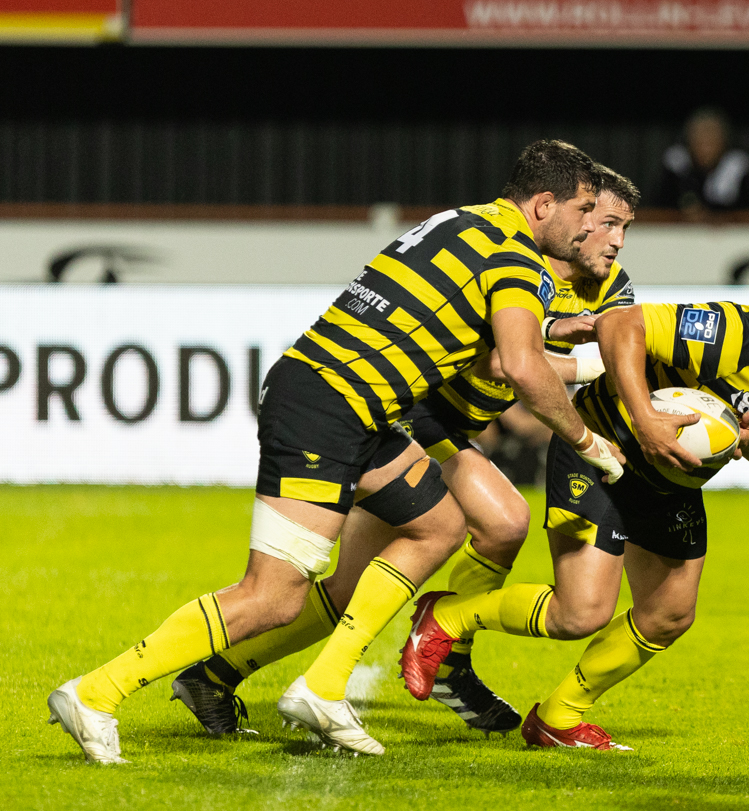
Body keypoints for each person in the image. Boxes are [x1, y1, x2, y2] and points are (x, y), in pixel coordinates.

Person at [47, 140, 626, 762]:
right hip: (329, 405)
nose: (590, 226)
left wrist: (550, 330)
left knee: (438, 524)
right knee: (272, 596)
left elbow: (470, 326)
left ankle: (323, 686)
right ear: (543, 204)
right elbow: (520, 364)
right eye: (584, 210)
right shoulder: (514, 255)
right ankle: (97, 692)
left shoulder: (462, 223)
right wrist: (587, 440)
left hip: (356, 406)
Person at [401, 260, 749, 751]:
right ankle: (447, 617)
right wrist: (645, 417)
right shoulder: (736, 333)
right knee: (580, 613)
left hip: (669, 482)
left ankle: (558, 718)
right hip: (601, 449)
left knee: (669, 614)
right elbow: (621, 324)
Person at [653, 107, 749, 218]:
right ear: (690, 141)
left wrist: (712, 216)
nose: (706, 147)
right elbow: (660, 206)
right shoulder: (676, 162)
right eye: (700, 139)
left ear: (724, 142)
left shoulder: (738, 164)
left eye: (712, 139)